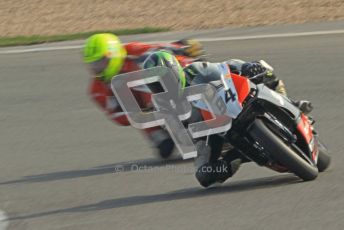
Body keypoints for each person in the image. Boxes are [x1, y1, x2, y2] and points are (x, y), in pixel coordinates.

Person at [142, 51, 313, 187]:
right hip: (210, 134)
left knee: (262, 68)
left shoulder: (195, 70)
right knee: (205, 176)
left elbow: (225, 67)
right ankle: (237, 155)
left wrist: (246, 67)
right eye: (158, 85)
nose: (164, 85)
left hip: (229, 101)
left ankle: (291, 102)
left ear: (175, 69)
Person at [82, 33, 204, 159]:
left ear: (114, 54)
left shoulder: (132, 51)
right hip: (146, 115)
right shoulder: (96, 90)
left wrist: (183, 47)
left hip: (163, 91)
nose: (97, 68)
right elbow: (117, 116)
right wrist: (147, 112)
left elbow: (160, 49)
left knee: (182, 67)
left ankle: (201, 101)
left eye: (101, 62)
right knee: (165, 148)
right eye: (93, 64)